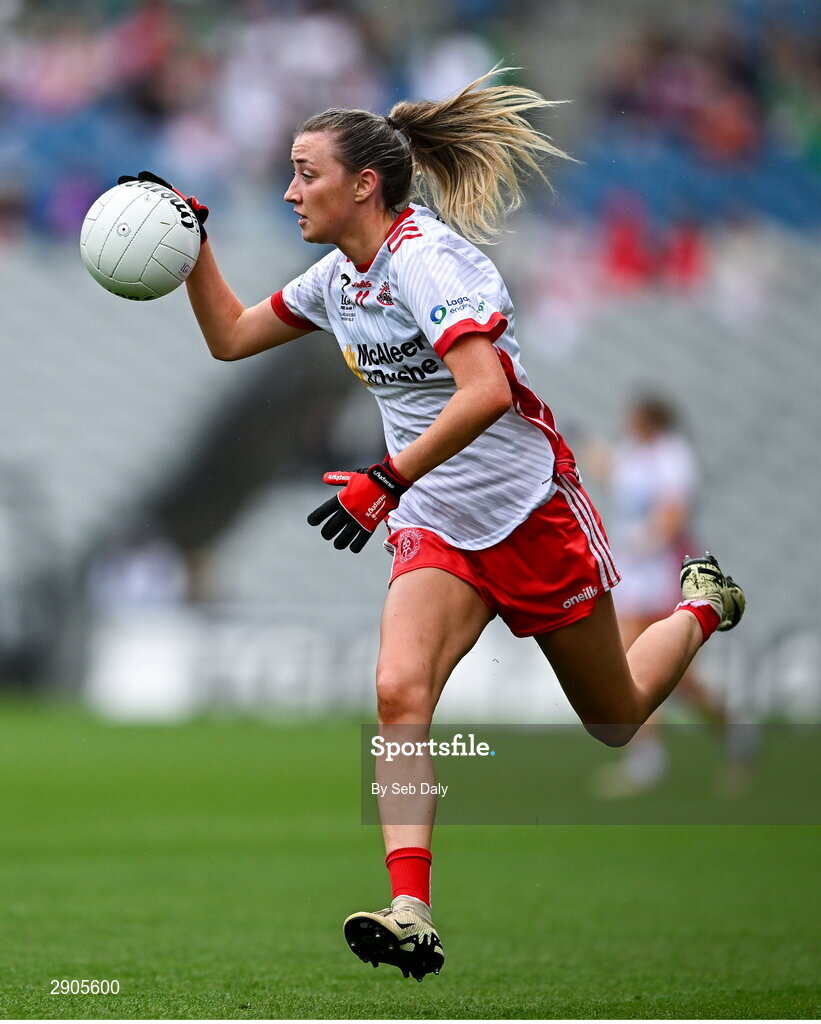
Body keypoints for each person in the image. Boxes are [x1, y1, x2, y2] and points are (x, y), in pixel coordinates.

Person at [120, 68, 745, 983]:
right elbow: (230, 336)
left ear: (362, 184)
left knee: (613, 720)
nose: (290, 190)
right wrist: (190, 240)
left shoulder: (428, 261)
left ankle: (700, 605)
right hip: (439, 520)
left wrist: (383, 477)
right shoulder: (340, 278)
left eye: (306, 172)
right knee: (398, 690)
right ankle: (409, 908)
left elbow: (486, 391)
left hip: (530, 514)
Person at [592, 396, 748, 796]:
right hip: (634, 572)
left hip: (666, 569)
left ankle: (732, 730)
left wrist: (649, 537)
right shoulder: (632, 451)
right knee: (628, 661)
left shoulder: (673, 455)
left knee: (681, 677)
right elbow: (615, 476)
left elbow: (674, 510)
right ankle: (648, 756)